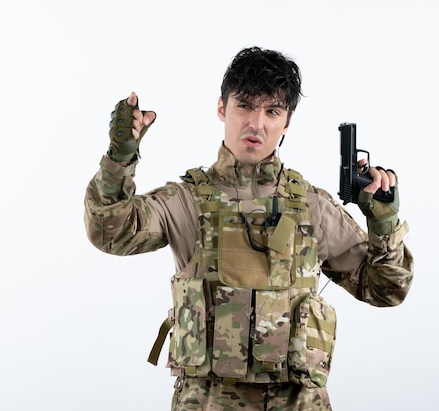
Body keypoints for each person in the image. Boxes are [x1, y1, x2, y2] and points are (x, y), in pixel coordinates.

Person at [83, 46, 413, 411]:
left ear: (286, 122)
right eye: (245, 106)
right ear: (222, 108)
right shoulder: (187, 201)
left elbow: (386, 290)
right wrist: (120, 156)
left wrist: (384, 224)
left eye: (272, 111)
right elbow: (110, 233)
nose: (256, 123)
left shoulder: (312, 206)